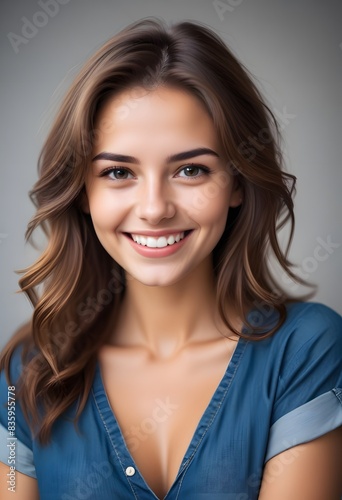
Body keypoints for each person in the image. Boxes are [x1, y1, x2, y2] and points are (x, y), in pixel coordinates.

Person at [0, 18, 341, 500]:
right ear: (82, 192)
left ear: (237, 183)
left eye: (190, 170)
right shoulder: (24, 376)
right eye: (119, 172)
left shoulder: (305, 351)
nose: (156, 208)